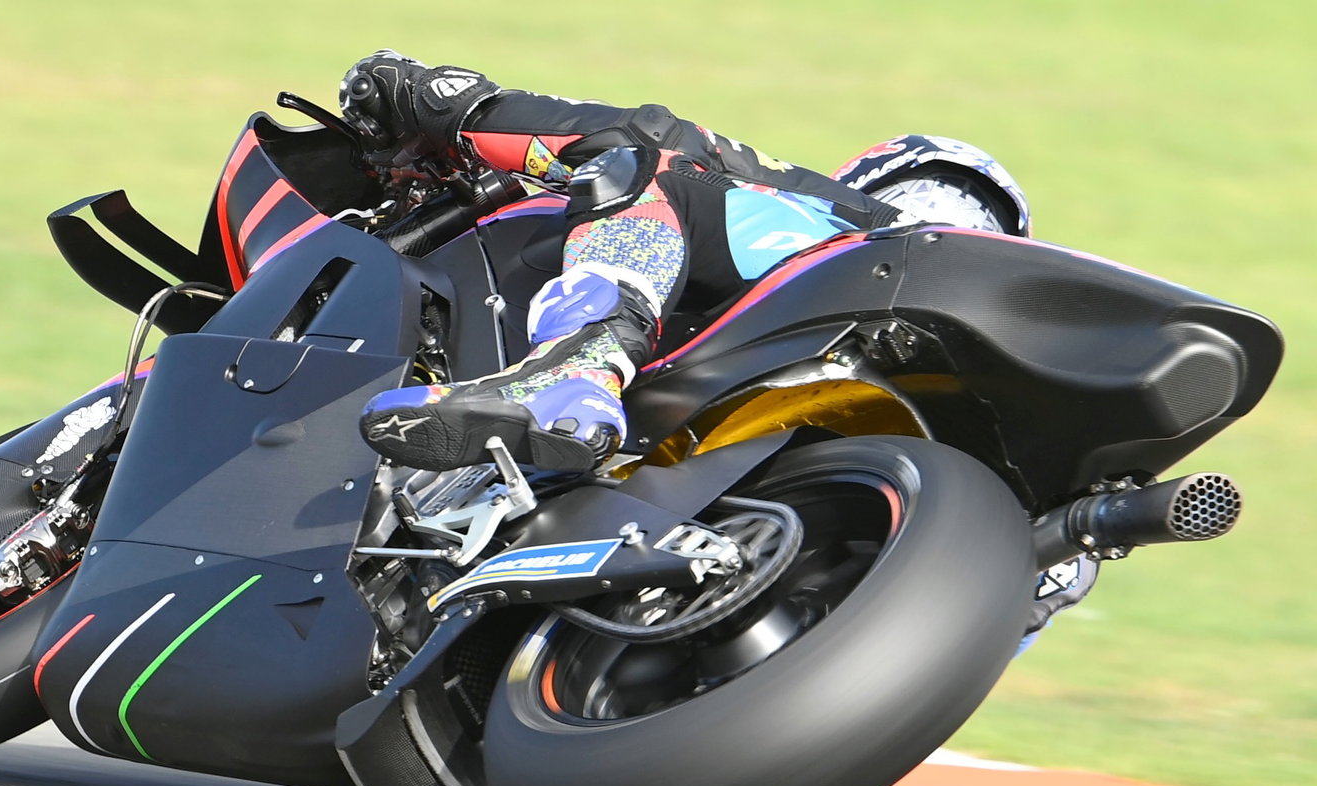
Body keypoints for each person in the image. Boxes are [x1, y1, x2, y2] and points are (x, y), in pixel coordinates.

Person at [339, 51, 964, 472]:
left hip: (864, 298)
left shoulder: (846, 219)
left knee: (638, 167)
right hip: (930, 495)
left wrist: (453, 109)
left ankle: (574, 369)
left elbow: (651, 138)